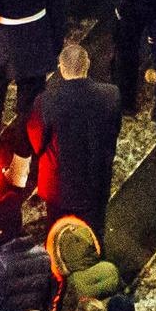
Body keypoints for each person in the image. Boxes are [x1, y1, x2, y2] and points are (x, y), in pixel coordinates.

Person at [34, 42, 122, 229]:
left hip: (58, 187)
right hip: (95, 184)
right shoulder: (111, 95)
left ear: (61, 68)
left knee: (57, 236)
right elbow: (114, 131)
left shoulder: (46, 101)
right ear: (87, 65)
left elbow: (37, 142)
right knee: (93, 233)